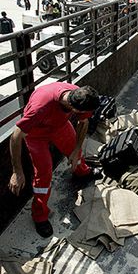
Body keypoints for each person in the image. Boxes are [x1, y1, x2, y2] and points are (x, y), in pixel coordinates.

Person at [8, 83, 101, 238]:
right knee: (44, 175)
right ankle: (40, 216)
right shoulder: (40, 108)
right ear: (74, 109)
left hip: (60, 126)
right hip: (36, 135)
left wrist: (76, 150)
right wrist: (17, 171)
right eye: (84, 113)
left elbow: (83, 123)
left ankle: (82, 172)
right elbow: (16, 136)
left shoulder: (80, 95)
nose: (87, 115)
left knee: (76, 153)